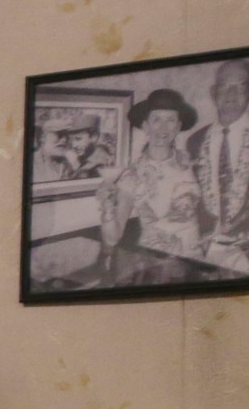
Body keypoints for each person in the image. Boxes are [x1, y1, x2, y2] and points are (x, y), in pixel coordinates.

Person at [97, 88, 208, 271]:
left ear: (178, 126)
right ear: (146, 126)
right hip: (157, 264)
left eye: (170, 120)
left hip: (196, 260)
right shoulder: (132, 175)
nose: (163, 128)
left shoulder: (190, 161)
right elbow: (112, 237)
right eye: (156, 119)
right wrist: (108, 206)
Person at [188, 60, 249, 274]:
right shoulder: (194, 141)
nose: (231, 94)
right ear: (214, 92)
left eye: (241, 86)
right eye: (225, 85)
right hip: (205, 253)